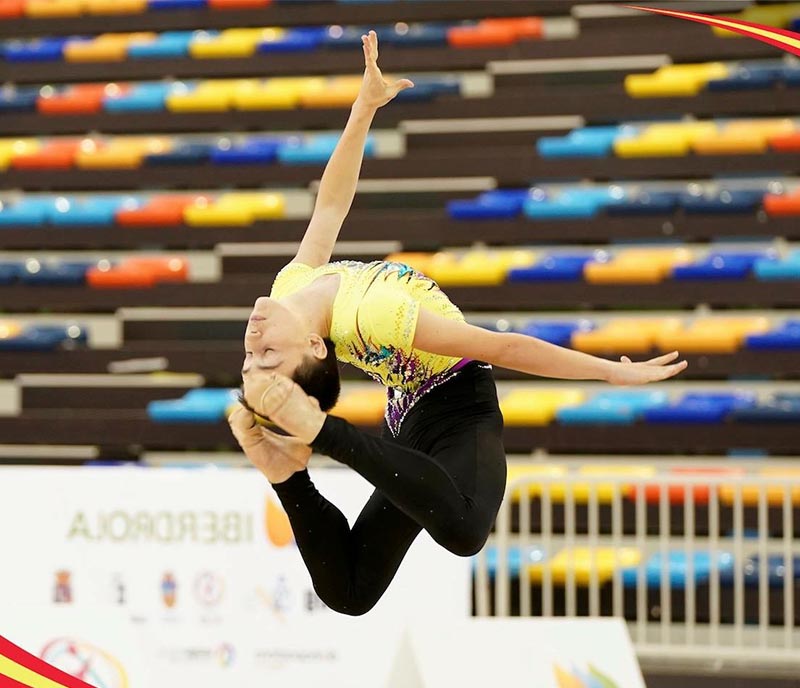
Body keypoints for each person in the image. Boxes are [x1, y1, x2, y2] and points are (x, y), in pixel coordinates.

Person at [228, 31, 688, 616]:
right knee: (357, 585)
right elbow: (503, 345)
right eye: (265, 360)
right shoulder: (371, 318)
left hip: (436, 412)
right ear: (315, 346)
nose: (251, 346)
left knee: (453, 537)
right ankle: (290, 474)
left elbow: (331, 205)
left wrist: (362, 108)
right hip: (430, 418)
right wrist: (608, 374)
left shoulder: (294, 289)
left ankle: (321, 438)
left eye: (253, 358)